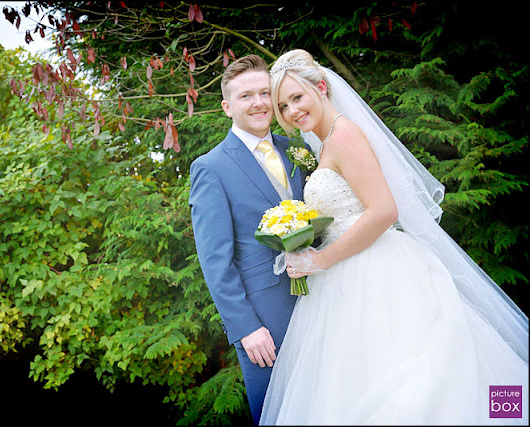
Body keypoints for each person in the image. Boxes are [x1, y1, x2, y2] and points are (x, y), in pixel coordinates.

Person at [260, 49, 529, 425]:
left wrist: (318, 260)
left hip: (376, 270)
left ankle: (507, 412)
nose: (291, 111)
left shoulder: (345, 136)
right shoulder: (323, 143)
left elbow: (384, 211)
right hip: (345, 275)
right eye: (283, 105)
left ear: (321, 87)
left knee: (429, 376)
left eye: (297, 97)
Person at [188, 54, 312, 425]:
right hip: (264, 321)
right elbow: (215, 259)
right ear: (227, 107)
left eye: (263, 93)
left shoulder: (297, 150)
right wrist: (246, 329)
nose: (258, 103)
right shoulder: (211, 168)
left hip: (321, 300)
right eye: (246, 96)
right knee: (279, 413)